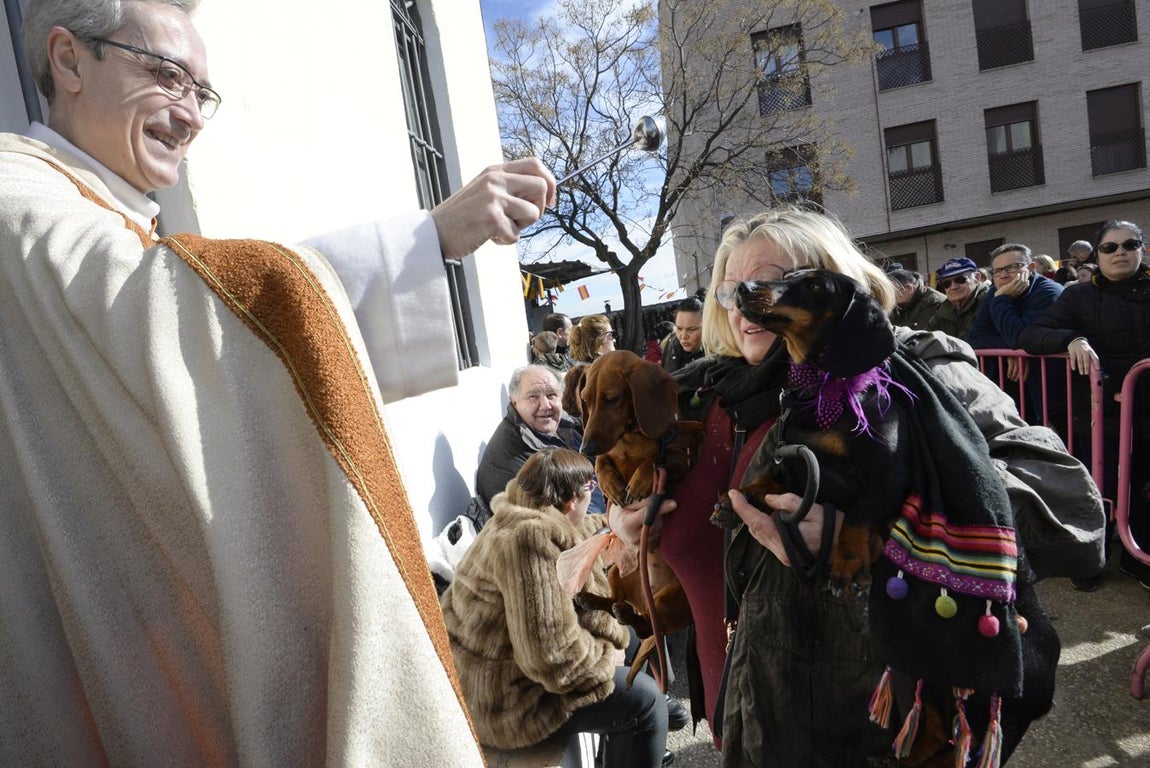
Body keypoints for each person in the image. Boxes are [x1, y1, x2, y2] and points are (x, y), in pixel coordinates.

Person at [0, 1, 557, 764]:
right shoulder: (19, 202)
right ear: (68, 60)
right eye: (167, 77)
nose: (191, 115)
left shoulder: (101, 214)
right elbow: (183, 315)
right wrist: (429, 237)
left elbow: (190, 329)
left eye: (202, 92)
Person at [610, 207, 1104, 765]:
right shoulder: (698, 395)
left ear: (833, 282)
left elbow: (1066, 500)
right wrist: (624, 522)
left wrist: (881, 533)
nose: (747, 305)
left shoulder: (911, 370)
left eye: (769, 285)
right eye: (731, 292)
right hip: (747, 718)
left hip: (874, 730)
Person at [441, 448, 670, 766]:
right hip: (505, 703)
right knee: (645, 700)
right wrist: (606, 658)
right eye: (590, 488)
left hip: (500, 676)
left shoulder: (522, 518)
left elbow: (579, 531)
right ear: (571, 501)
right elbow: (551, 657)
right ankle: (644, 728)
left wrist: (618, 523)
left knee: (633, 635)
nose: (593, 495)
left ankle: (625, 748)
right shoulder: (529, 543)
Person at [1020, 220, 1150, 592]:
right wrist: (1071, 338)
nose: (1120, 252)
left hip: (1146, 415)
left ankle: (1135, 558)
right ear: (1097, 255)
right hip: (1101, 415)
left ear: (1141, 248)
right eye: (1109, 248)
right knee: (1099, 488)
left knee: (1142, 487)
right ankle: (1091, 558)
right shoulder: (1078, 296)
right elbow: (1029, 334)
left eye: (1129, 244)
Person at [475, 365, 604, 514]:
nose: (545, 405)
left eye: (551, 395)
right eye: (533, 397)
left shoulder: (569, 425)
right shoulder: (511, 457)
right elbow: (548, 524)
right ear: (513, 401)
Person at [967, 243, 1064, 424]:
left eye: (1012, 267)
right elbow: (975, 338)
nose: (1004, 275)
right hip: (1013, 388)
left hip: (1054, 392)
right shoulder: (996, 292)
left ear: (1032, 268)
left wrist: (1002, 300)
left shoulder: (1048, 292)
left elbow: (1021, 336)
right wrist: (1011, 350)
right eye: (997, 271)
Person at [927, 256, 989, 341]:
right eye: (946, 283)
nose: (953, 287)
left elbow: (970, 339)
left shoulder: (987, 301)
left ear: (977, 278)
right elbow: (926, 337)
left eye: (960, 279)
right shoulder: (945, 308)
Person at [661, 297, 706, 373]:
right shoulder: (672, 345)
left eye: (691, 329)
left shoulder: (720, 351)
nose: (683, 336)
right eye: (679, 328)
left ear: (706, 327)